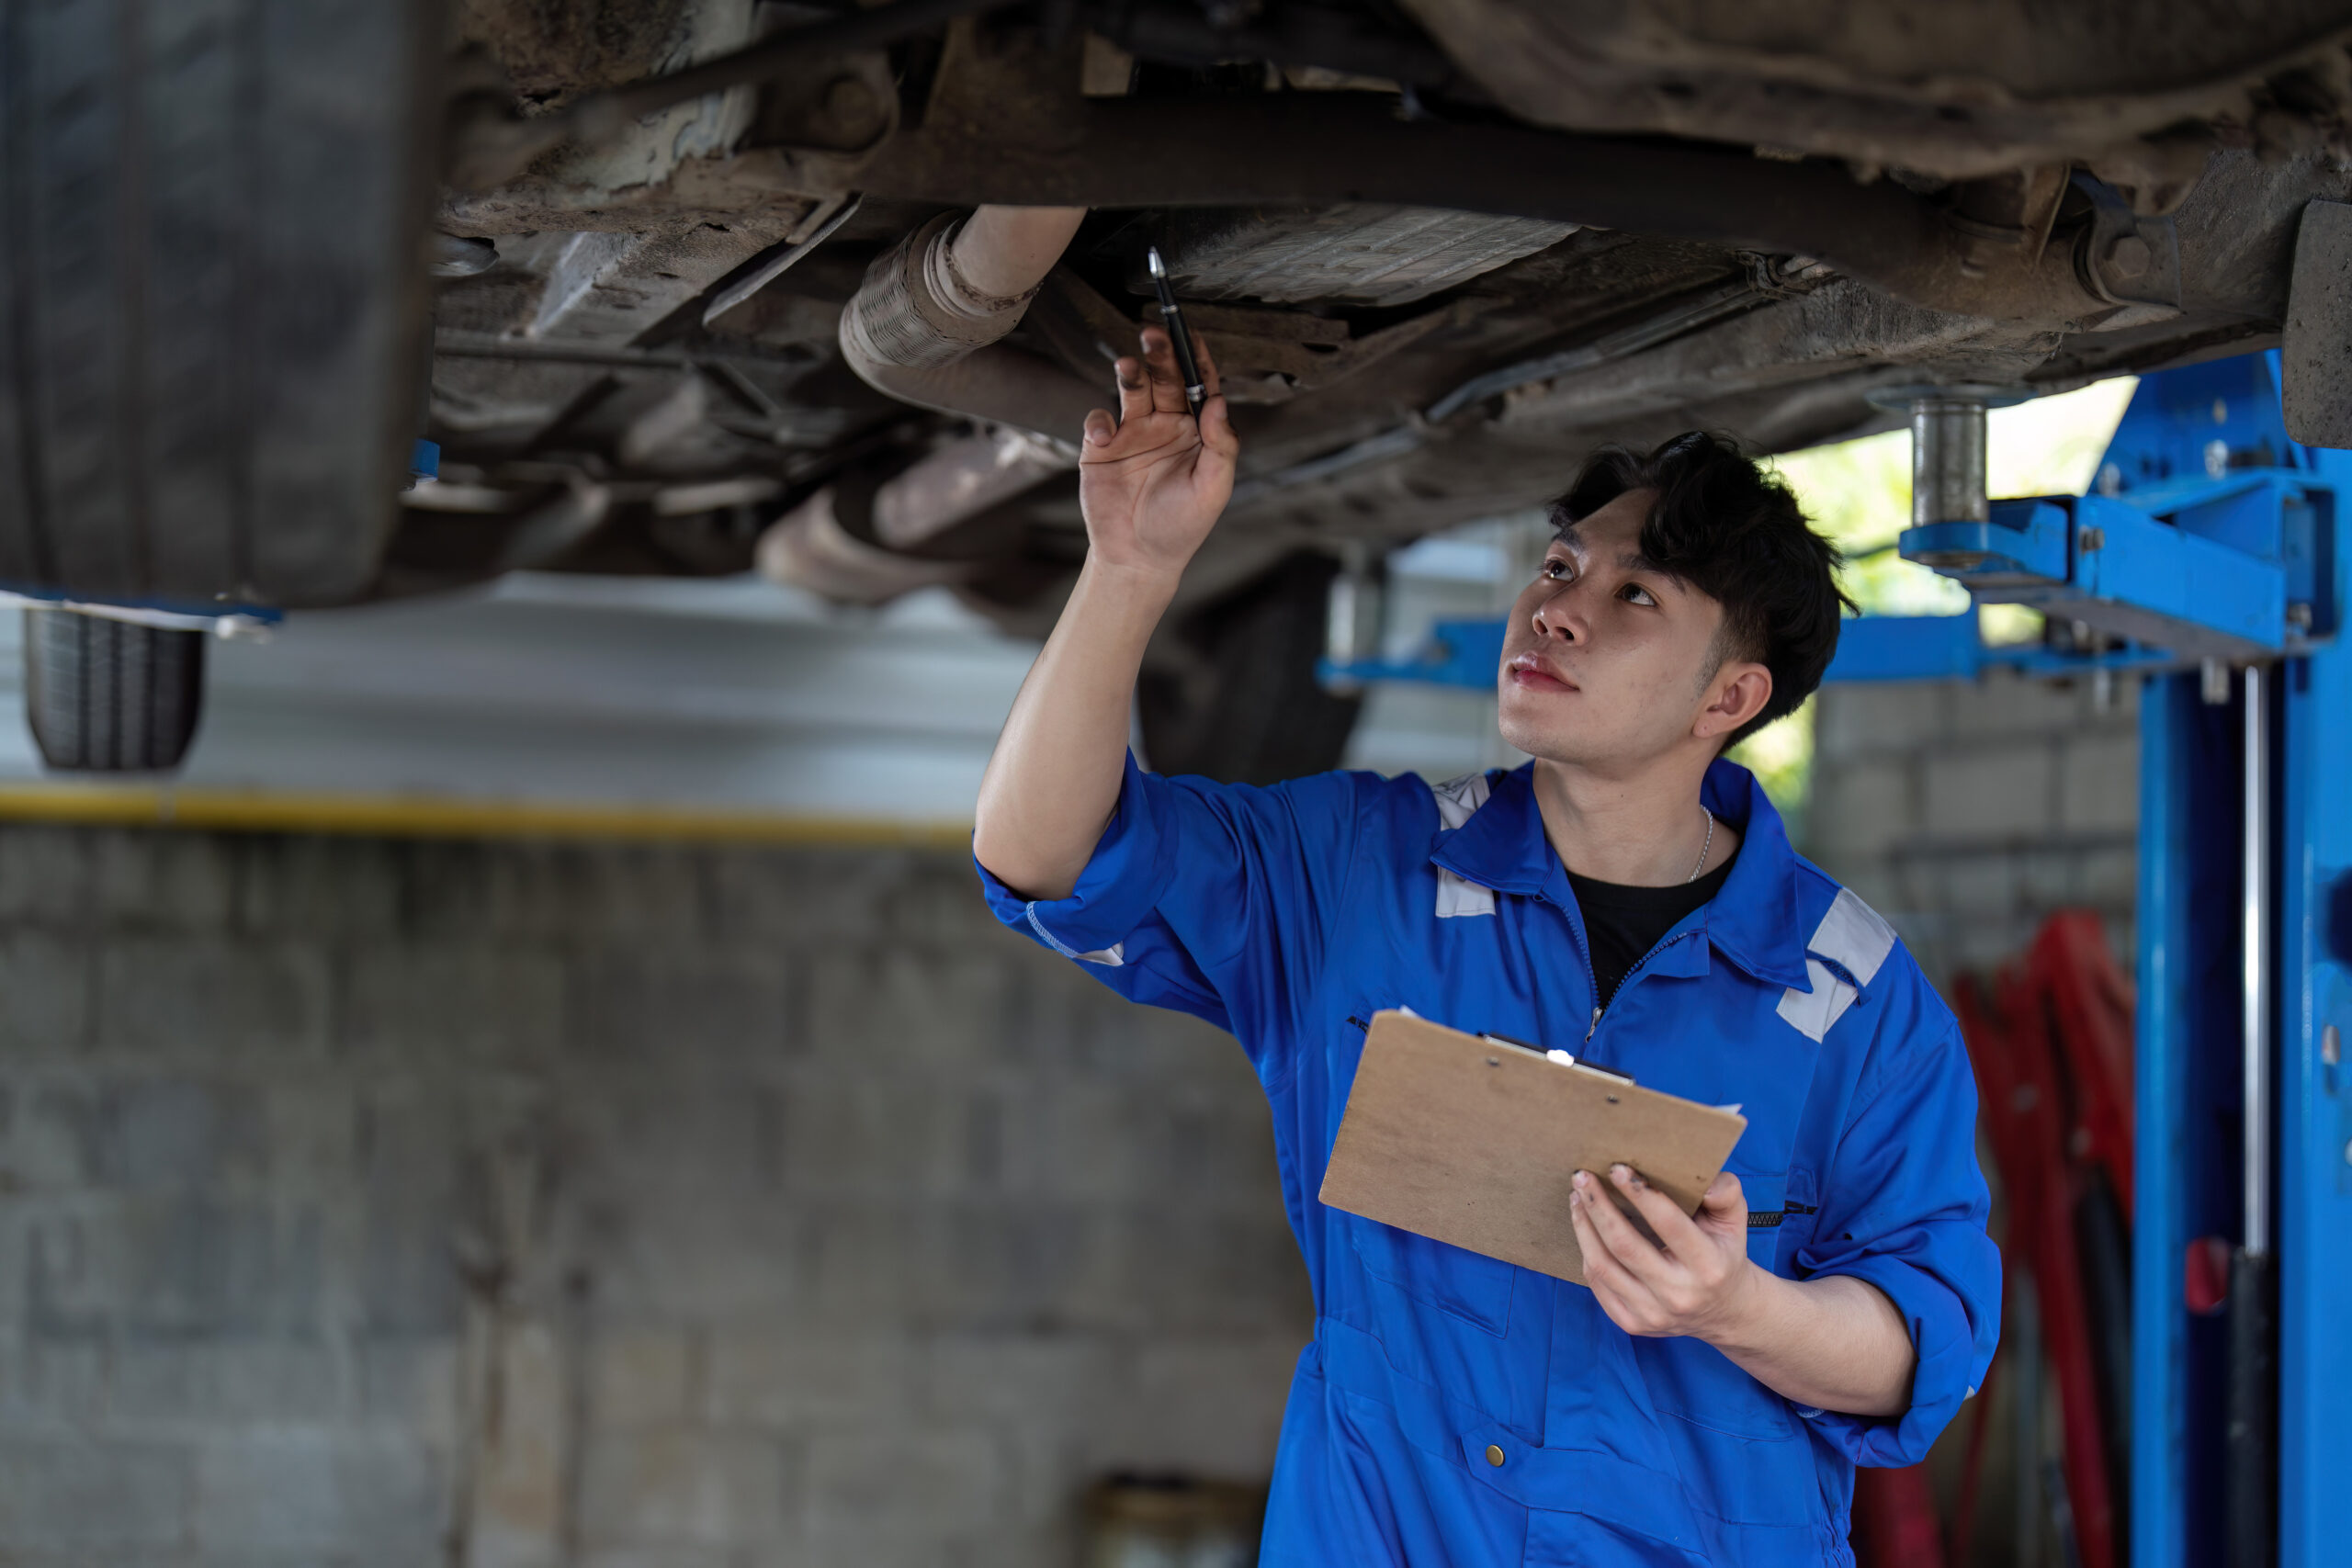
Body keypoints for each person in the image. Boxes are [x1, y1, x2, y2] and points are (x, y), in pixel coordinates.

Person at [971, 325, 1999, 1566]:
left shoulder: (1855, 999)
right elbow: (1045, 852)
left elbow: (1916, 1342)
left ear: (1729, 699)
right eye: (1562, 565)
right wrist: (1128, 566)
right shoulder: (1361, 871)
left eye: (1634, 596)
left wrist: (1736, 1305)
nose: (1557, 610)